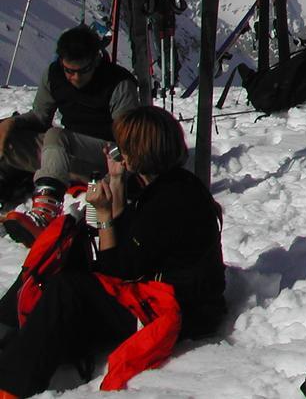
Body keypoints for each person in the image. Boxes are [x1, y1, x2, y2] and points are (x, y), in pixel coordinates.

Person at [0, 105, 226, 397]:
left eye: (124, 146)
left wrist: (104, 215)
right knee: (67, 254)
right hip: (162, 296)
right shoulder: (167, 186)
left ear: (138, 152)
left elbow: (116, 270)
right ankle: (7, 330)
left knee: (68, 288)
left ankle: (10, 384)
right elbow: (126, 242)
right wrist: (117, 185)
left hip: (177, 311)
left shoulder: (171, 200)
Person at [0, 26, 144, 246]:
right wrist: (11, 123)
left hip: (105, 158)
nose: (75, 77)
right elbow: (40, 116)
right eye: (69, 71)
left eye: (82, 70)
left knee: (56, 137)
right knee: (9, 136)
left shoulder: (118, 83)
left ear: (95, 60)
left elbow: (128, 141)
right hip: (62, 152)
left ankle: (44, 214)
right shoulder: (53, 74)